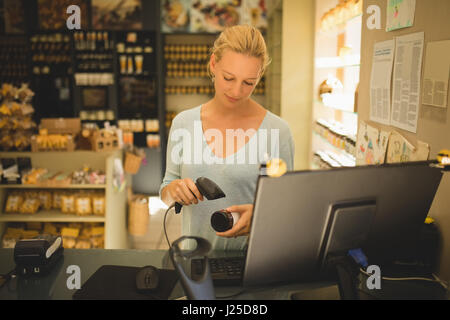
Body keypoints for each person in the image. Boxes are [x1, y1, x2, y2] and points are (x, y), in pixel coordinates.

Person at [160, 25, 294, 250]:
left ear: (259, 76)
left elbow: (286, 206)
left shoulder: (277, 132)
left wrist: (262, 215)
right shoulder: (183, 124)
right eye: (228, 78)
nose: (237, 91)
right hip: (196, 261)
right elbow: (166, 191)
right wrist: (173, 190)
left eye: (248, 82)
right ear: (213, 64)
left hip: (254, 263)